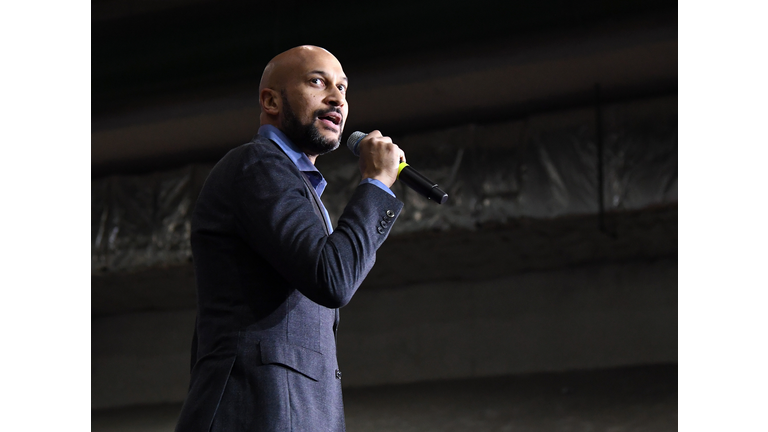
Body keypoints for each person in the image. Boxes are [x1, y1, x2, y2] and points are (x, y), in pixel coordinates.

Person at [175, 45, 405, 431]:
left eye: (343, 88)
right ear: (270, 100)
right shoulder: (257, 165)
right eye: (318, 81)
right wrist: (376, 184)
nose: (337, 98)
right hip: (257, 411)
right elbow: (332, 277)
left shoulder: (297, 184)